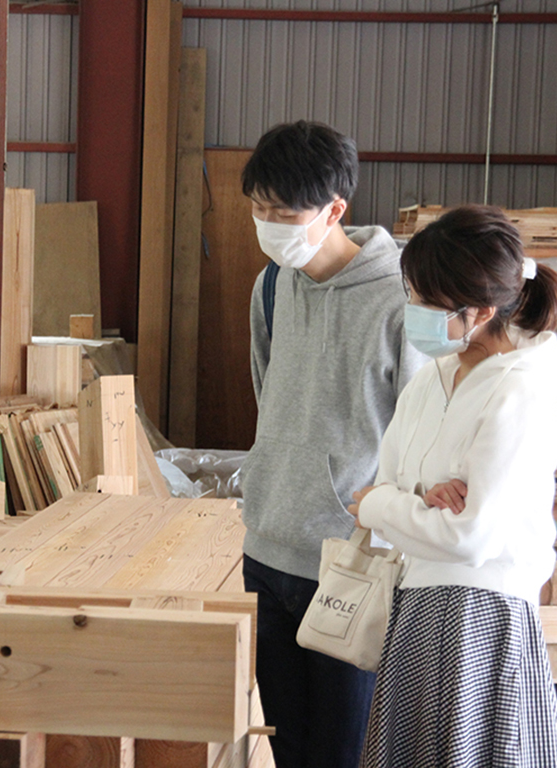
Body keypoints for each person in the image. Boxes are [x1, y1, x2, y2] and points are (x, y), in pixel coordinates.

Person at [351, 205, 557, 767]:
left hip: (481, 621)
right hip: (416, 604)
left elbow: (470, 538)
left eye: (427, 302)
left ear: (479, 311)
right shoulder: (431, 380)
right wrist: (411, 500)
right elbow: (391, 481)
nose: (414, 312)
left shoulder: (519, 394)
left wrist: (384, 505)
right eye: (412, 294)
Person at [239, 120, 426, 768]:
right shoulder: (270, 287)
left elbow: (427, 427)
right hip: (265, 552)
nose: (267, 223)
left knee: (344, 753)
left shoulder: (407, 296)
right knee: (286, 749)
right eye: (258, 208)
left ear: (335, 208)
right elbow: (271, 397)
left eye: (282, 211)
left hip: (354, 562)